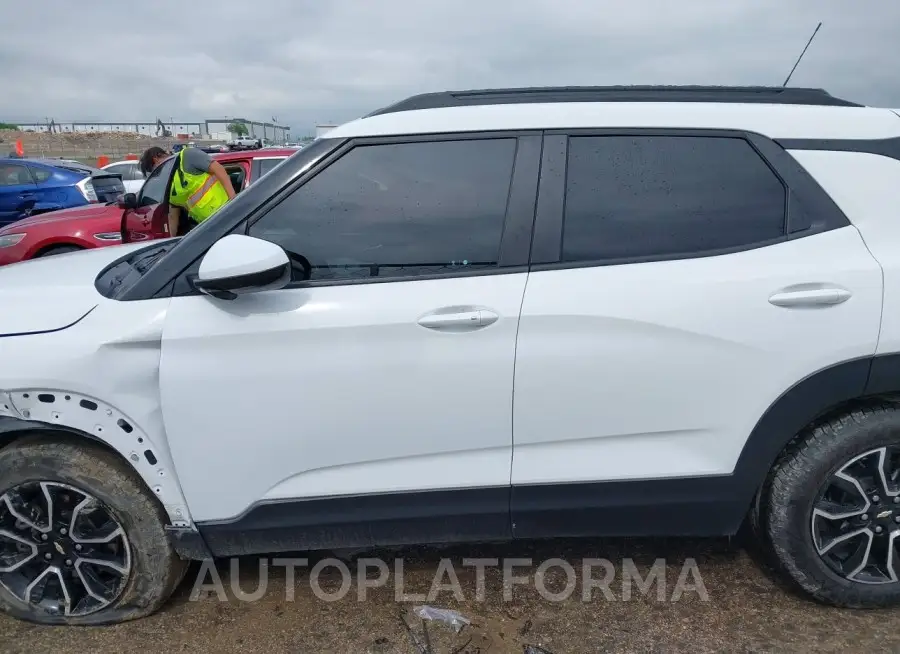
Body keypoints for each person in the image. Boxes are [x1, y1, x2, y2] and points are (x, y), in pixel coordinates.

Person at [139, 145, 236, 237]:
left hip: (227, 213)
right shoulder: (170, 184)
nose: (159, 174)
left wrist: (234, 201)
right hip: (208, 225)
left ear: (156, 159)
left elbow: (219, 169)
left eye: (156, 170)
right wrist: (170, 240)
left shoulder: (187, 156)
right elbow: (173, 216)